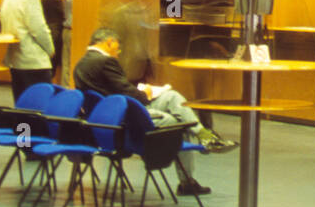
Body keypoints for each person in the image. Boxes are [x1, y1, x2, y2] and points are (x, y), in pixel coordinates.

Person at [74, 27, 235, 196]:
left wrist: (141, 93)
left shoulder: (81, 64)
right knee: (180, 122)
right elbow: (127, 92)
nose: (118, 53)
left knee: (172, 97)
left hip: (108, 118)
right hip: (125, 118)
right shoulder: (106, 62)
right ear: (109, 42)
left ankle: (203, 135)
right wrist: (146, 93)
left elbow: (114, 90)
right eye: (118, 48)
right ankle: (189, 176)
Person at [0, 0, 55, 101]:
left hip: (16, 60)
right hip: (33, 61)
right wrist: (50, 49)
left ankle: (22, 119)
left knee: (21, 105)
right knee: (39, 105)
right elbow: (39, 30)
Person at [41, 0, 66, 82]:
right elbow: (64, 14)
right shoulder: (57, 0)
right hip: (56, 30)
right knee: (54, 59)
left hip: (47, 28)